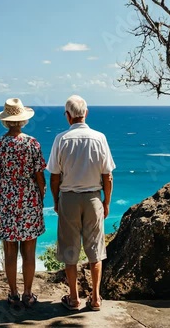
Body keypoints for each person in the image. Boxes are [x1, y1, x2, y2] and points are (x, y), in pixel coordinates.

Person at [46, 95, 115, 311]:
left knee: (70, 251)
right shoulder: (100, 138)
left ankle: (74, 298)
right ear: (86, 113)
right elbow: (108, 176)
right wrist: (106, 203)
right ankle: (95, 298)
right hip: (93, 196)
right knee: (95, 250)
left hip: (69, 197)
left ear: (67, 116)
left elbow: (54, 176)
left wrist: (56, 200)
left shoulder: (61, 139)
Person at [0, 98, 46, 308]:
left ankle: (13, 294)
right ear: (22, 121)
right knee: (29, 252)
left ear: (6, 121)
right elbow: (40, 176)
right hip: (29, 199)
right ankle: (28, 294)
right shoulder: (32, 143)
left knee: (9, 252)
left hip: (5, 201)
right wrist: (40, 197)